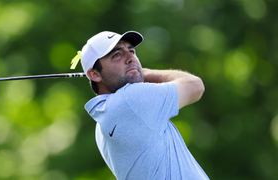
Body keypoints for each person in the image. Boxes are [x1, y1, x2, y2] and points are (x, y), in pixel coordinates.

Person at [72, 31, 209, 180]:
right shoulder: (131, 99)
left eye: (131, 51)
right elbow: (195, 86)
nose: (131, 58)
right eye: (117, 55)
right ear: (95, 74)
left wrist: (134, 72)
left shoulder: (103, 120)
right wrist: (146, 73)